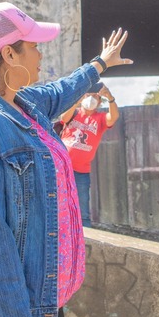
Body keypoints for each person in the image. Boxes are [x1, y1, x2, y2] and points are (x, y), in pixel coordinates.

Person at [0, 2, 132, 317]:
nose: (40, 53)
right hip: (5, 313)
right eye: (33, 46)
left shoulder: (22, 103)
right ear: (9, 55)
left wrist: (100, 64)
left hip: (40, 297)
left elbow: (61, 91)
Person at [59, 83, 119, 227]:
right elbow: (64, 118)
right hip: (61, 168)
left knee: (82, 210)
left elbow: (113, 117)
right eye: (88, 94)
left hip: (81, 171)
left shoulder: (100, 119)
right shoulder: (74, 113)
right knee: (58, 203)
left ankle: (85, 236)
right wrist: (77, 101)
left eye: (95, 96)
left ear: (99, 101)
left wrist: (110, 98)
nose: (91, 98)